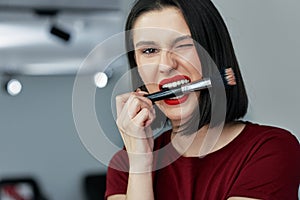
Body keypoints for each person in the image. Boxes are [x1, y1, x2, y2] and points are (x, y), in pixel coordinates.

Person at [105, 0, 300, 199]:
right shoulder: (126, 165)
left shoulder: (272, 149)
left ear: (213, 54)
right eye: (149, 51)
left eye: (182, 45)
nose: (165, 65)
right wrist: (140, 164)